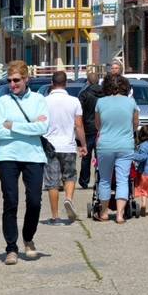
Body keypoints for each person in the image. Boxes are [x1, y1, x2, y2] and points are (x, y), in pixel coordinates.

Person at [0, 60, 49, 265]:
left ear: (26, 79)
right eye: (9, 80)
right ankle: (11, 247)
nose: (12, 84)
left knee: (34, 201)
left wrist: (13, 126)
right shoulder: (3, 102)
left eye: (16, 80)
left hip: (33, 155)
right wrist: (28, 127)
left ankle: (28, 237)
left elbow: (43, 128)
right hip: (7, 156)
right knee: (11, 201)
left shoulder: (39, 99)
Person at [42, 70, 85, 226]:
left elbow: (39, 123)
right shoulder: (74, 101)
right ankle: (68, 199)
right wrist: (83, 145)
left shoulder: (44, 101)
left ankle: (55, 216)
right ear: (66, 83)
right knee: (70, 176)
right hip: (68, 144)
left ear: (52, 83)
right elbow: (79, 126)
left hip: (49, 144)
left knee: (52, 182)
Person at [93, 73, 136, 224]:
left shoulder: (100, 102)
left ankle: (104, 213)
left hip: (105, 145)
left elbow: (97, 125)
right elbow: (135, 124)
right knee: (123, 179)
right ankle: (119, 215)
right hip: (125, 144)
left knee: (104, 179)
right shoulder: (131, 103)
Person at [77, 65, 102, 192]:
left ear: (88, 81)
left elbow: (79, 113)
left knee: (86, 156)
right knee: (100, 156)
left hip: (87, 128)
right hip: (101, 129)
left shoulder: (84, 94)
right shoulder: (105, 94)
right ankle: (101, 179)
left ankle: (84, 180)